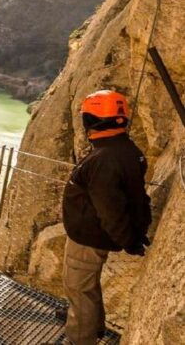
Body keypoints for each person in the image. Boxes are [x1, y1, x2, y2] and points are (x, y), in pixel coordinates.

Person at [61, 90, 151, 345]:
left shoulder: (104, 158)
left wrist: (128, 240)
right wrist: (131, 236)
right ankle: (90, 324)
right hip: (94, 235)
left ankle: (80, 337)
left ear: (92, 120)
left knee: (79, 290)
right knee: (86, 287)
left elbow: (110, 208)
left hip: (88, 238)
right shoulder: (125, 149)